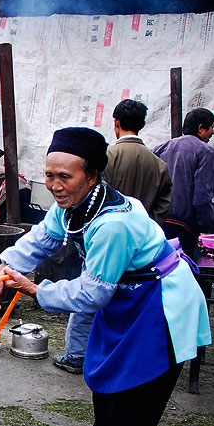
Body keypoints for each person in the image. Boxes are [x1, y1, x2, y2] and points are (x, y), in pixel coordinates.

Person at [0, 127, 211, 426]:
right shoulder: (72, 205)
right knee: (105, 390)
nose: (54, 185)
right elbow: (41, 240)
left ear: (92, 175)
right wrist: (3, 268)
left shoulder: (112, 224)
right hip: (127, 300)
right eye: (49, 175)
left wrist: (34, 290)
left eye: (64, 177)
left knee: (135, 404)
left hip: (160, 306)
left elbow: (92, 294)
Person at [55, 99, 173, 375]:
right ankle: (114, 352)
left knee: (88, 297)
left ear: (116, 123)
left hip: (102, 238)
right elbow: (163, 206)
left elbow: (86, 199)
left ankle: (76, 354)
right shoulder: (158, 163)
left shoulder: (103, 158)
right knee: (122, 305)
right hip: (137, 254)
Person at [152, 108, 214, 257]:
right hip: (185, 223)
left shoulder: (161, 148)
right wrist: (205, 226)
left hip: (159, 220)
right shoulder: (207, 152)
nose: (213, 132)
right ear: (201, 128)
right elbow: (202, 195)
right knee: (184, 266)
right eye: (212, 127)